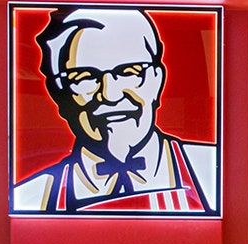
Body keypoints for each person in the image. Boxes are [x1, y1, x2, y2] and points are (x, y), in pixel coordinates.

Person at [12, 8, 218, 214]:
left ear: (157, 80)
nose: (110, 95)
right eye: (84, 77)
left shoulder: (210, 172)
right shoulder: (34, 196)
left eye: (129, 72)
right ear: (58, 94)